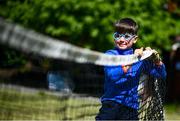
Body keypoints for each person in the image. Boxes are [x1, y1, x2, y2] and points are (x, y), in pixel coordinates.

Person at [95, 18, 167, 120]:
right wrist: (133, 59)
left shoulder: (140, 58)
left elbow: (161, 74)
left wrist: (157, 61)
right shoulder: (110, 55)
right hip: (111, 105)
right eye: (117, 35)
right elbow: (113, 76)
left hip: (131, 108)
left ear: (135, 39)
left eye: (127, 36)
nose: (121, 40)